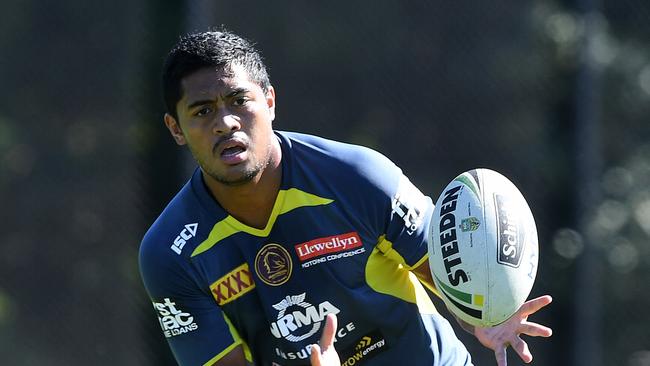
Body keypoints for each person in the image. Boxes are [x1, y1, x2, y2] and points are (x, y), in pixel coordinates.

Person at [139, 29, 553, 366]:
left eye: (238, 101)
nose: (225, 122)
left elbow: (448, 274)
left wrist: (483, 312)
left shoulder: (357, 177)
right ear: (176, 129)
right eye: (201, 111)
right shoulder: (168, 254)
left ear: (269, 101)